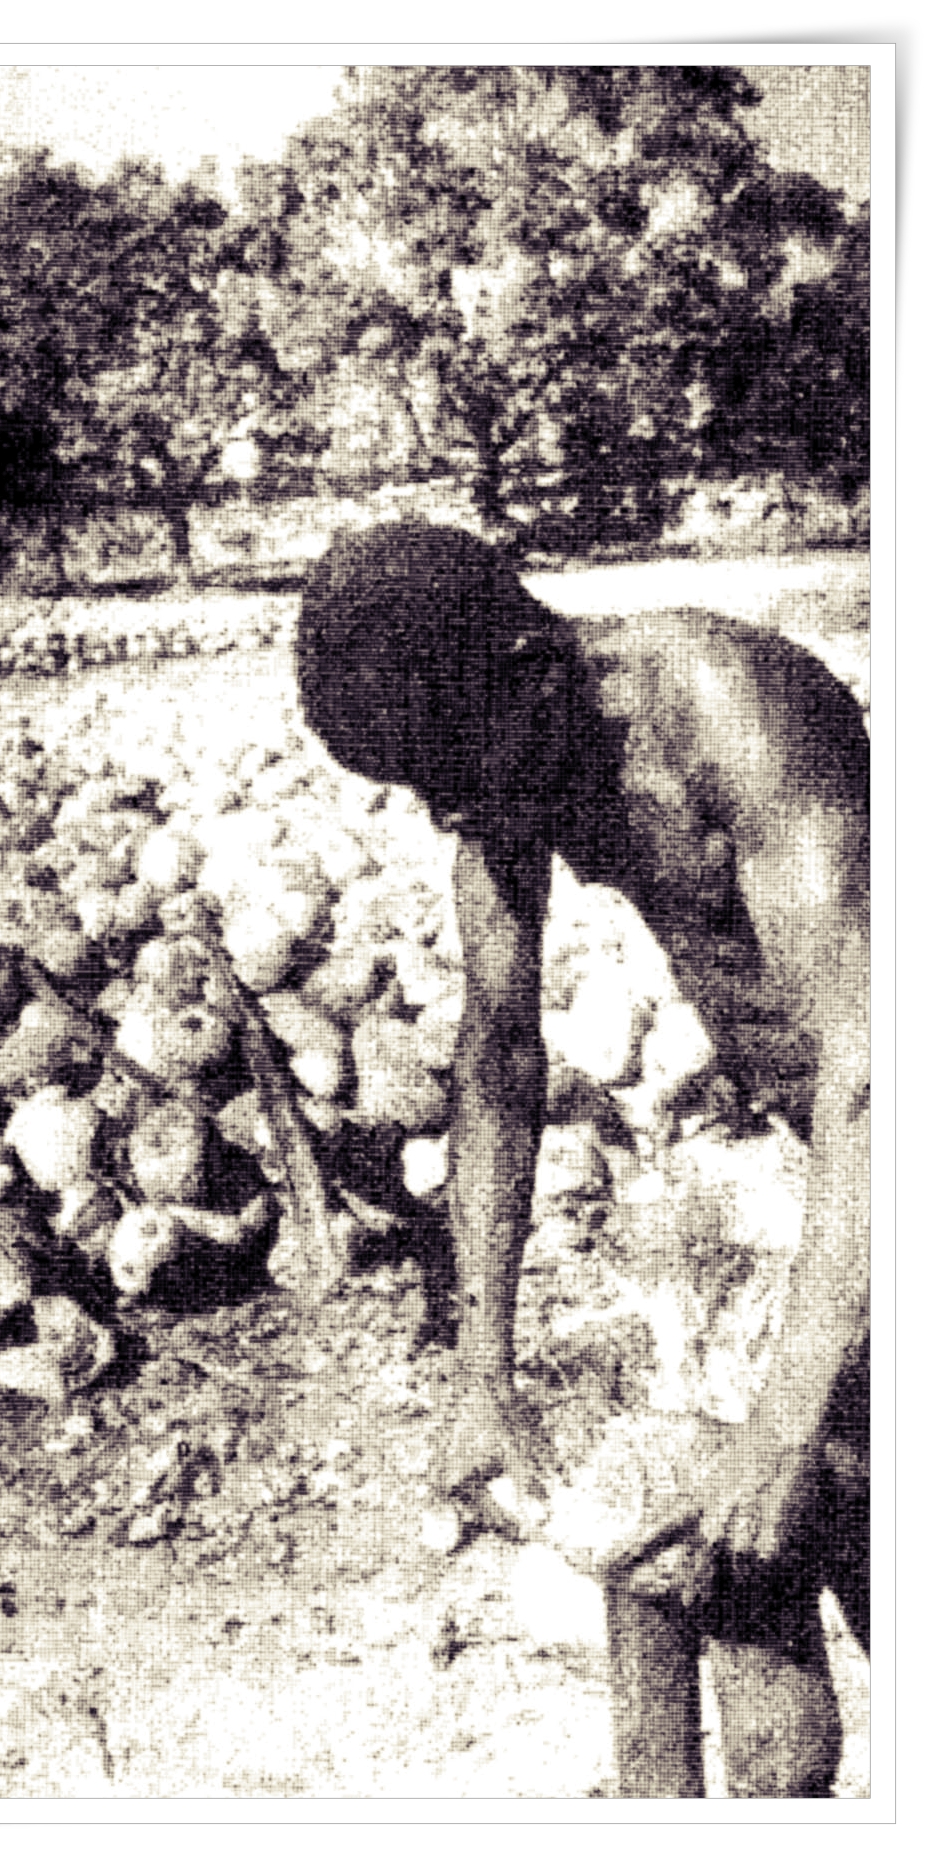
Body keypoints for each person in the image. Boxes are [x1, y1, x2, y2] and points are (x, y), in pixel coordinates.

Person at [294, 520, 870, 1798]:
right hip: (817, 1149)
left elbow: (876, 1066)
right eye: (417, 790)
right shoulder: (508, 763)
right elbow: (494, 1059)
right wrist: (479, 1371)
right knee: (694, 1536)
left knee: (841, 1514)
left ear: (529, 666)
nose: (448, 813)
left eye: (448, 773)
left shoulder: (728, 711)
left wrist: (785, 1414)